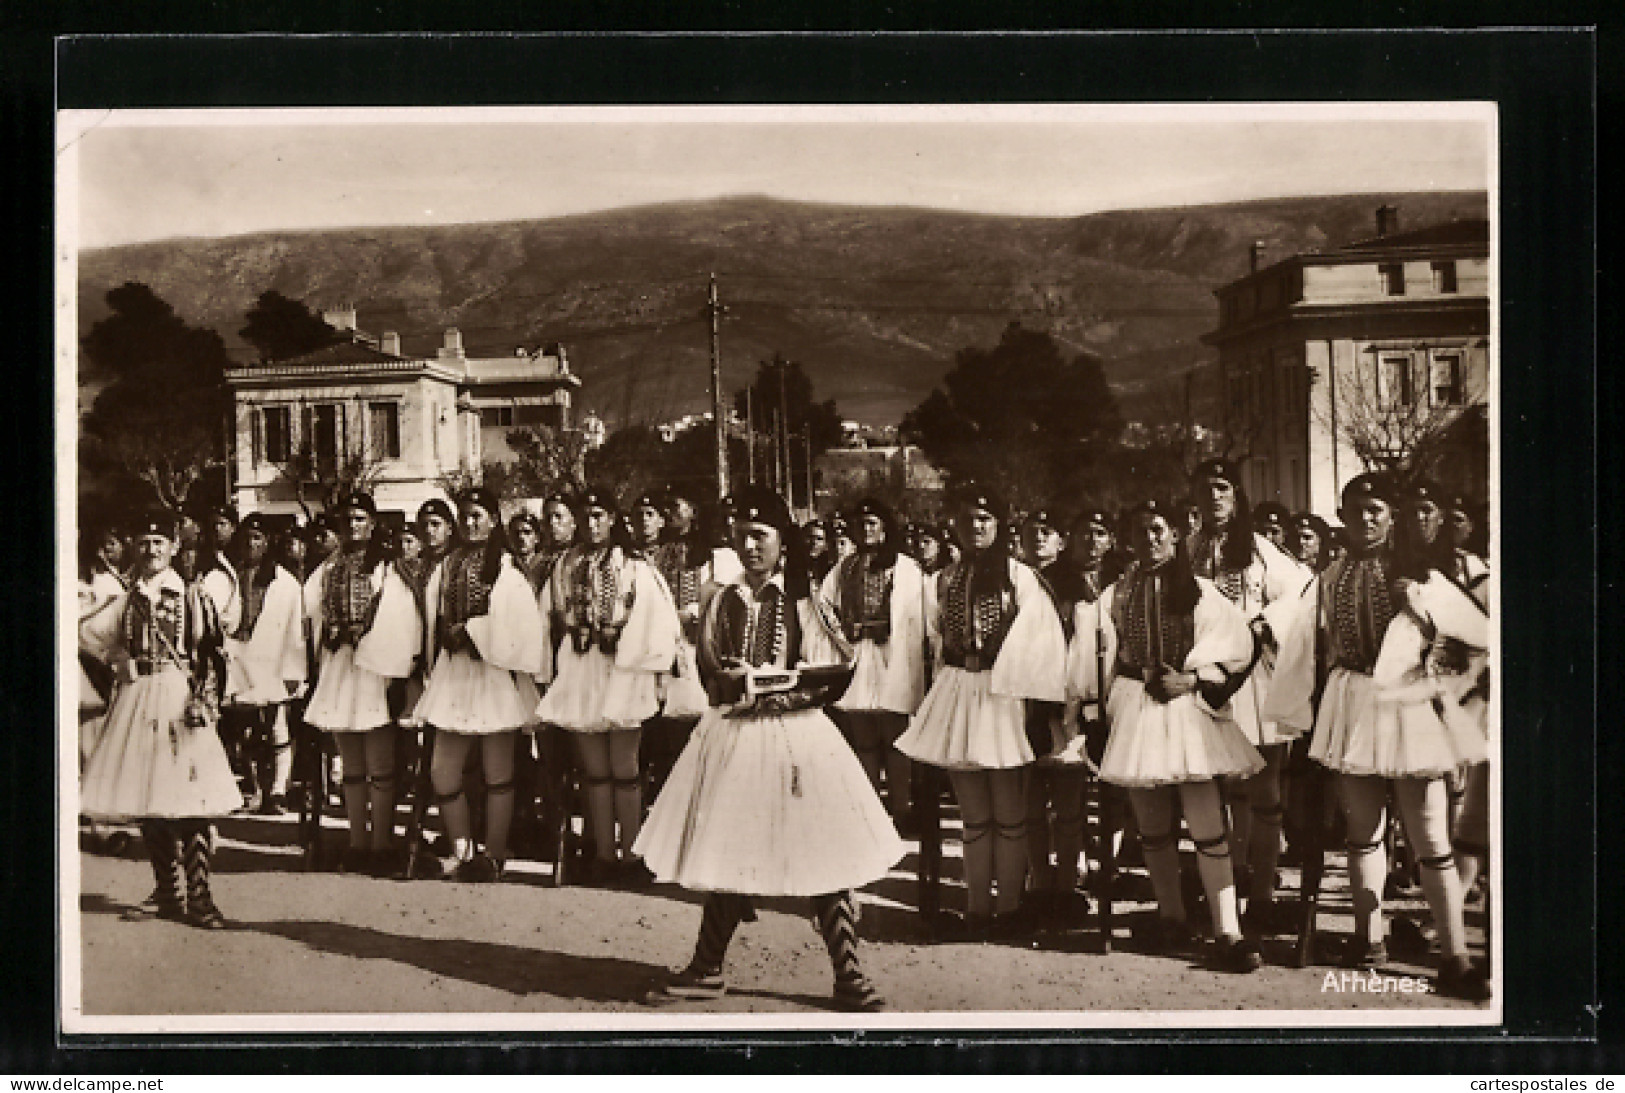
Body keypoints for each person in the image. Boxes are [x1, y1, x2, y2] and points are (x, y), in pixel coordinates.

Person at [636, 485, 904, 1010]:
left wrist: (779, 686)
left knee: (822, 851)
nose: (751, 547)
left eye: (760, 536)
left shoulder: (806, 599)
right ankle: (707, 968)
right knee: (728, 844)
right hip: (735, 737)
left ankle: (848, 974)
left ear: (784, 540)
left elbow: (838, 670)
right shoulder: (721, 597)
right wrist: (730, 683)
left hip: (798, 739)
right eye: (742, 537)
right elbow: (709, 670)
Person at [1264, 473, 1490, 1000]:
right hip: (1351, 705)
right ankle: (1369, 940)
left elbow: (1475, 642)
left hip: (1408, 709)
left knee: (1430, 838)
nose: (1366, 519)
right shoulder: (1329, 575)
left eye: (1377, 510)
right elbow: (1304, 646)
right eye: (1356, 510)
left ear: (1392, 516)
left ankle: (1454, 955)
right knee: (1361, 833)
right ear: (1342, 516)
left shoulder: (1421, 573)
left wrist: (1419, 611)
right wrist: (1298, 715)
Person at [1063, 499, 1266, 971]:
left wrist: (1195, 680)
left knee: (1206, 823)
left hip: (1187, 709)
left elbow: (1238, 647)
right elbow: (1094, 661)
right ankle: (1172, 917)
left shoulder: (1200, 591)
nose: (1149, 539)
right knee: (1152, 826)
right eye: (1139, 531)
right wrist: (1093, 716)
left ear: (1176, 534)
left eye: (1157, 529)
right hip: (1136, 706)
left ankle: (1227, 931)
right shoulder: (1114, 595)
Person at [895, 485, 1068, 938]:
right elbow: (932, 641)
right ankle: (976, 908)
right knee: (974, 814)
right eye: (969, 519)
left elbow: (1043, 643)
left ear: (1000, 525)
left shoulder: (1020, 576)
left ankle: (1009, 908)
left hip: (1004, 693)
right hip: (958, 689)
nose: (976, 527)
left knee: (1009, 811)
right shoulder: (944, 578)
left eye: (985, 520)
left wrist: (1034, 709)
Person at [80, 510, 242, 928]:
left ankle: (201, 897)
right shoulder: (128, 597)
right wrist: (117, 659)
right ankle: (168, 893)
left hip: (179, 697)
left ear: (173, 547)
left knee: (190, 801)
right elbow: (89, 634)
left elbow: (210, 653)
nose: (151, 550)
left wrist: (204, 701)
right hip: (138, 699)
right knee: (149, 800)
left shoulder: (192, 594)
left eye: (159, 543)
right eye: (144, 543)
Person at [1186, 460, 1312, 936]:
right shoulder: (1190, 549)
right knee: (1217, 787)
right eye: (1204, 489)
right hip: (1207, 677)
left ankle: (1261, 893)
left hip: (1255, 677)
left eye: (1221, 488)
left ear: (1236, 495)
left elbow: (1298, 595)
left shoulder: (1261, 550)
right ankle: (1225, 891)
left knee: (1264, 791)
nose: (1213, 497)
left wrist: (1262, 623)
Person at [536, 488, 680, 882]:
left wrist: (622, 636)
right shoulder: (565, 562)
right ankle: (603, 853)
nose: (592, 523)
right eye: (585, 515)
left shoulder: (633, 564)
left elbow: (657, 619)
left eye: (600, 515)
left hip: (623, 671)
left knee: (625, 767)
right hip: (582, 670)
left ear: (613, 519)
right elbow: (549, 613)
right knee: (594, 770)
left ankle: (631, 855)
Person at [414, 488, 549, 881]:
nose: (470, 523)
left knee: (497, 771)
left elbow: (521, 630)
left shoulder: (506, 570)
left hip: (493, 675)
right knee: (443, 770)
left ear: (493, 520)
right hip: (455, 676)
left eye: (478, 516)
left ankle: (493, 854)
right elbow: (432, 618)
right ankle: (461, 848)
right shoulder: (448, 566)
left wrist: (473, 631)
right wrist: (445, 638)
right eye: (466, 516)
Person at [301, 490, 422, 874]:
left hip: (375, 668)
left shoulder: (387, 565)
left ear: (372, 522)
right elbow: (308, 612)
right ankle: (357, 841)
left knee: (380, 760)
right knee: (351, 761)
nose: (353, 526)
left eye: (359, 518)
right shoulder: (328, 567)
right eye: (347, 519)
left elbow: (404, 617)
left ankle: (382, 843)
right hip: (339, 667)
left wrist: (392, 667)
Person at [1024, 506, 1119, 928]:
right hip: (1047, 700)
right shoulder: (1048, 585)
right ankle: (1040, 886)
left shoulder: (1121, 582)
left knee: (1072, 806)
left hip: (1098, 703)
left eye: (1100, 532)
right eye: (1083, 532)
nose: (1092, 541)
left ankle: (1067, 886)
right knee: (1035, 801)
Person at [821, 497, 928, 832]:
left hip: (891, 656)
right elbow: (824, 605)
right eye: (860, 524)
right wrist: (841, 634)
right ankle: (870, 806)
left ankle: (901, 806)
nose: (865, 530)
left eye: (872, 524)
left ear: (884, 528)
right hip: (858, 654)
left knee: (894, 735)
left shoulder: (904, 567)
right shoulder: (844, 567)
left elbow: (917, 616)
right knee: (863, 736)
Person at [219, 514, 306, 814]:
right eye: (246, 538)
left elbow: (295, 629)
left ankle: (278, 789)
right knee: (245, 733)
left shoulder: (285, 582)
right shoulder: (230, 576)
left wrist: (294, 672)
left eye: (257, 538)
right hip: (239, 661)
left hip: (272, 662)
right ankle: (255, 790)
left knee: (277, 726)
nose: (250, 544)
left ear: (267, 543)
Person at [508, 511, 550, 593]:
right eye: (516, 533)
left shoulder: (547, 566)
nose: (521, 537)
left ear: (537, 537)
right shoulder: (505, 566)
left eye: (527, 532)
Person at [804, 518, 838, 585]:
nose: (814, 542)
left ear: (826, 545)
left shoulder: (831, 572)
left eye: (819, 539)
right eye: (810, 537)